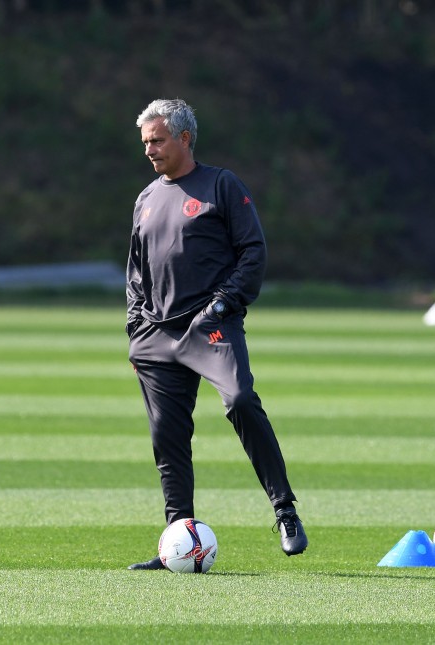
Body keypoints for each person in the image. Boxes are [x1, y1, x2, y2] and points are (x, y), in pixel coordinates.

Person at [125, 98, 308, 570]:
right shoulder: (146, 198)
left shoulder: (221, 186)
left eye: (158, 140)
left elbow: (254, 251)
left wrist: (224, 304)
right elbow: (136, 271)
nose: (150, 149)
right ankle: (177, 539)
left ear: (185, 138)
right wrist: (136, 325)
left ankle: (285, 510)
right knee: (167, 435)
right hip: (156, 335)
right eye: (146, 142)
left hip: (210, 325)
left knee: (241, 401)